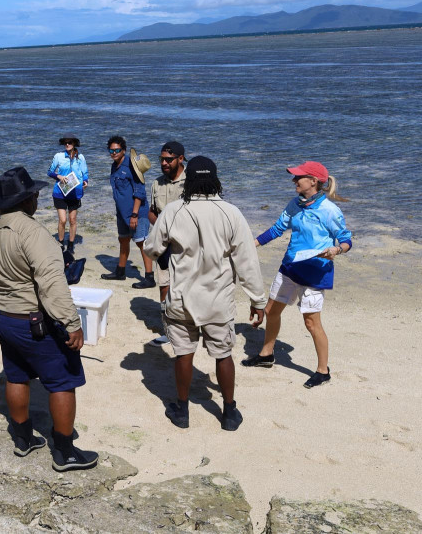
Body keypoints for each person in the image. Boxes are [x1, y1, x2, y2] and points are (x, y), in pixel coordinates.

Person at [0, 167, 98, 472]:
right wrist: (73, 324)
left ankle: (23, 439)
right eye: (34, 194)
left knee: (17, 374)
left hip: (0, 315)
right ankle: (65, 452)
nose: (37, 197)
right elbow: (52, 285)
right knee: (63, 380)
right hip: (31, 319)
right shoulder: (33, 232)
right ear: (27, 200)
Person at [143, 156, 266, 431]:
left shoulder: (173, 210)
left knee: (184, 354)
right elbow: (248, 262)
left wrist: (169, 252)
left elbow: (151, 248)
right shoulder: (231, 213)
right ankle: (229, 412)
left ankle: (182, 410)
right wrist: (258, 301)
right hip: (218, 302)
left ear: (189, 182)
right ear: (215, 180)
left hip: (181, 300)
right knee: (223, 355)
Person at [242, 161, 352, 389]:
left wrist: (336, 250)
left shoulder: (329, 210)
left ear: (313, 181)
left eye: (298, 177)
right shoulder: (295, 204)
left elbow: (346, 239)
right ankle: (266, 354)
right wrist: (251, 244)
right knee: (271, 311)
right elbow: (276, 229)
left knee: (311, 323)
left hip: (314, 273)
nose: (294, 181)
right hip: (290, 268)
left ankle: (323, 371)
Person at [146, 141, 187, 345]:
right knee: (164, 286)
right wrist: (161, 226)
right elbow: (152, 212)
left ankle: (189, 327)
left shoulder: (192, 182)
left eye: (168, 159)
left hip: (187, 246)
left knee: (187, 286)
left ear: (180, 159)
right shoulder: (156, 183)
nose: (164, 163)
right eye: (161, 159)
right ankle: (169, 331)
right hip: (163, 245)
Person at [102, 137, 153, 283]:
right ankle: (120, 272)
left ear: (123, 150)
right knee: (123, 240)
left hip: (136, 213)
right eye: (111, 150)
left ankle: (149, 277)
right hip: (122, 213)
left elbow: (139, 192)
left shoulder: (132, 166)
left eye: (117, 150)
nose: (114, 153)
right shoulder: (114, 166)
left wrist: (135, 215)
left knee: (141, 243)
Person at [48, 135, 89, 254]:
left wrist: (86, 181)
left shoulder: (80, 157)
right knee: (62, 220)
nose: (67, 144)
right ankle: (60, 244)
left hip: (75, 193)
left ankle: (70, 245)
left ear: (74, 143)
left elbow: (85, 172)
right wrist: (58, 176)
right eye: (65, 143)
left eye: (70, 142)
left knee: (72, 220)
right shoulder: (58, 156)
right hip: (59, 193)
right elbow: (49, 171)